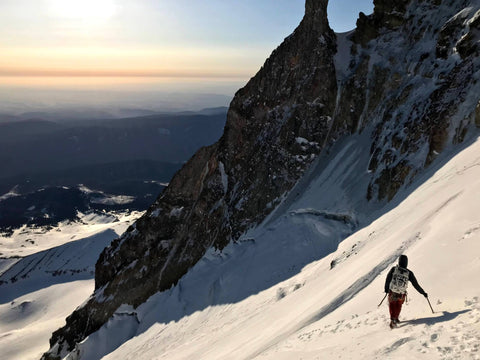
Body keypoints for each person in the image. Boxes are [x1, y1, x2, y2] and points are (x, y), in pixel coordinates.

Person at [384, 254, 428, 328]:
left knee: (392, 304)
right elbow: (415, 284)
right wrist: (423, 292)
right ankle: (396, 318)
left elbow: (388, 279)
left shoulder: (394, 269)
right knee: (399, 304)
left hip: (393, 291)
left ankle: (393, 319)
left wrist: (386, 289)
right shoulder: (409, 273)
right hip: (402, 293)